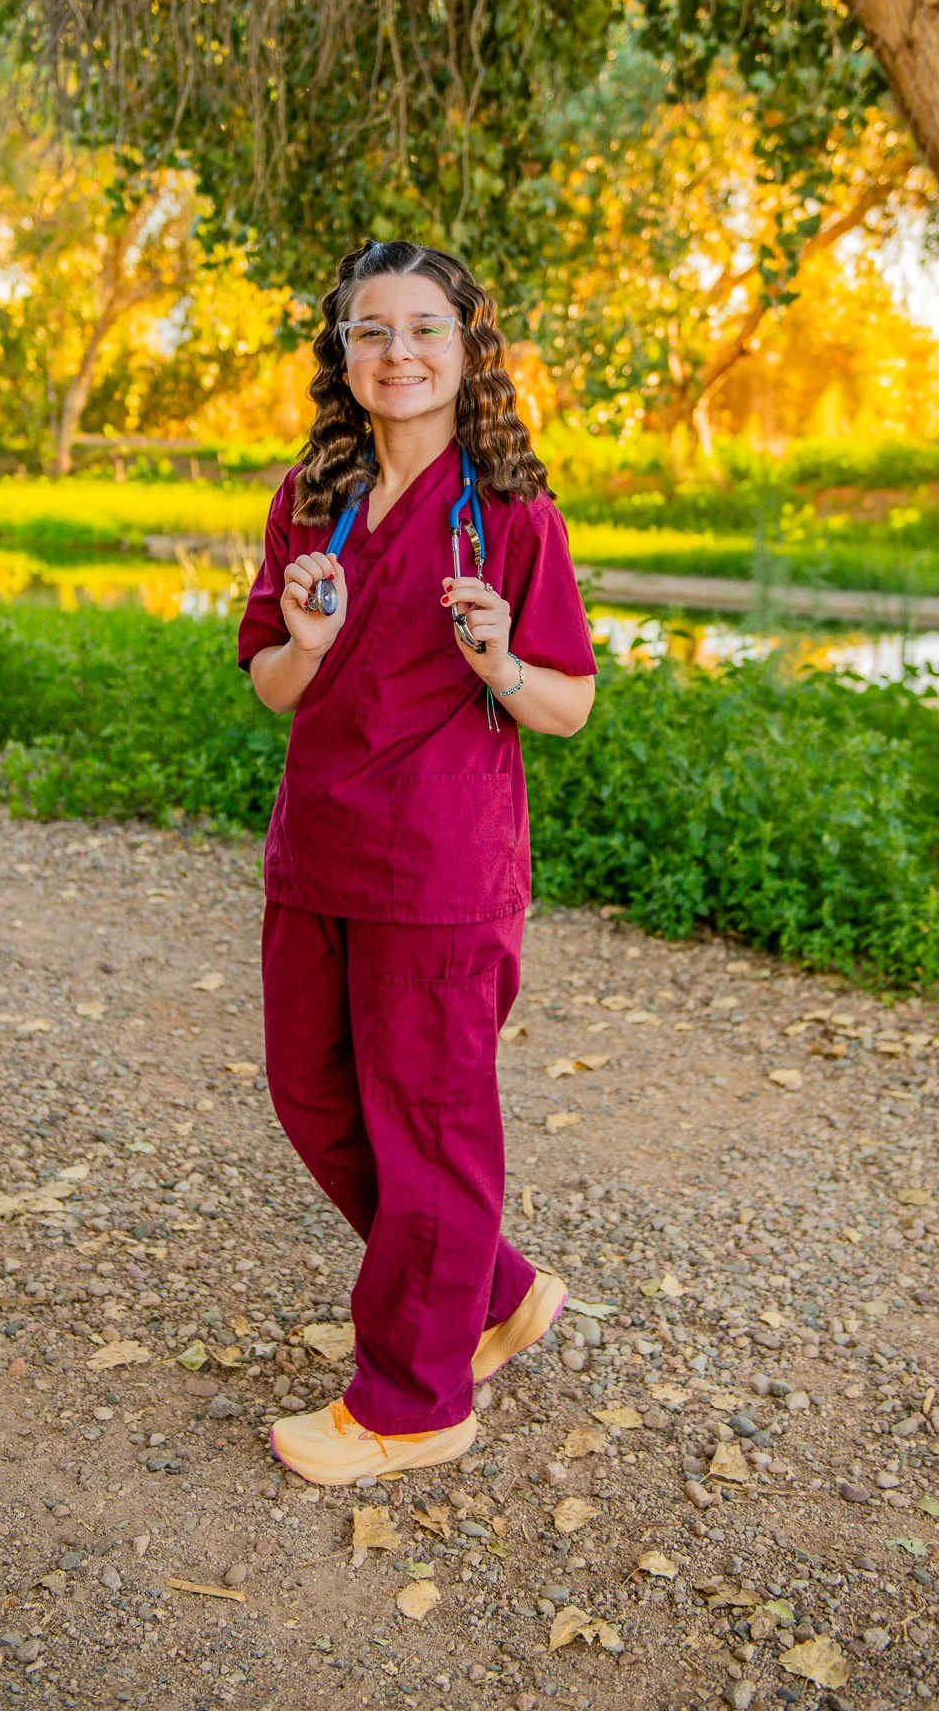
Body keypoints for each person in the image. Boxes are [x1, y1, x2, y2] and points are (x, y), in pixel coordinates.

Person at [238, 239, 598, 1485]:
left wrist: (501, 659)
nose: (399, 352)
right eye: (372, 331)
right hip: (320, 853)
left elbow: (567, 706)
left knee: (431, 1134)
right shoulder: (310, 496)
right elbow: (273, 687)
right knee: (313, 1098)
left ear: (466, 347)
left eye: (424, 328)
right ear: (343, 353)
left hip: (444, 871)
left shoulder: (509, 512)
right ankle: (492, 1291)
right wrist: (306, 635)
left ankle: (411, 1401)